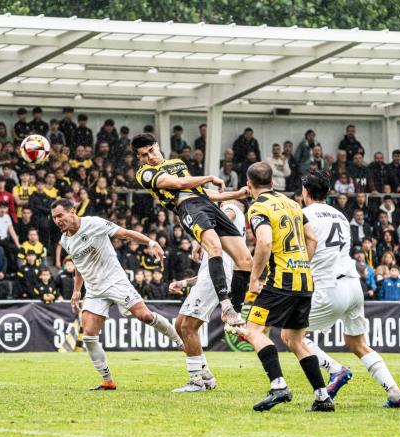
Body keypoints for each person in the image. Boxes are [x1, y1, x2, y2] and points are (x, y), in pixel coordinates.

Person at [300, 171, 400, 407]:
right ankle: (395, 393)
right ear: (327, 192)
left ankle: (336, 370)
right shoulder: (340, 216)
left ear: (305, 192)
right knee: (357, 344)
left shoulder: (303, 215)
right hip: (353, 284)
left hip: (329, 286)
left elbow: (305, 252)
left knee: (292, 336)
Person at [51, 198, 183, 390]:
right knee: (88, 335)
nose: (57, 221)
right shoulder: (65, 241)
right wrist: (77, 290)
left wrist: (151, 242)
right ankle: (107, 380)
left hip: (115, 281)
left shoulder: (94, 223)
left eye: (60, 215)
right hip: (95, 290)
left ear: (72, 211)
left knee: (145, 316)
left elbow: (125, 234)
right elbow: (79, 265)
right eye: (54, 218)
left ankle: (181, 343)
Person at [238, 163, 333, 413]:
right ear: (272, 182)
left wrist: (255, 279)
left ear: (249, 185)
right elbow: (311, 238)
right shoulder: (293, 204)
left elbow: (265, 241)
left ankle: (278, 385)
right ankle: (322, 396)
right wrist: (301, 262)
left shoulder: (258, 207)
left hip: (280, 281)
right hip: (304, 279)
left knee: (254, 331)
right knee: (294, 339)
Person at [132, 133, 252, 327]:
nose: (150, 157)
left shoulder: (178, 163)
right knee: (215, 248)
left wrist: (235, 194)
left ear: (157, 146)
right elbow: (178, 184)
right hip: (189, 208)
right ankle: (226, 307)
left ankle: (236, 311)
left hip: (207, 205)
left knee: (246, 260)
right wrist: (210, 177)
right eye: (144, 155)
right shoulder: (144, 173)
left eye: (151, 151)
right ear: (139, 158)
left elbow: (201, 192)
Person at [168, 200, 246, 393]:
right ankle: (206, 376)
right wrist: (184, 283)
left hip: (216, 279)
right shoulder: (218, 241)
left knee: (188, 326)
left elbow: (227, 214)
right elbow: (206, 273)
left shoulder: (232, 209)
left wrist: (199, 238)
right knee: (180, 324)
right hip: (209, 278)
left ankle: (196, 381)